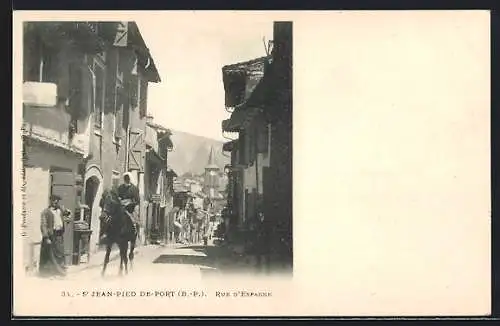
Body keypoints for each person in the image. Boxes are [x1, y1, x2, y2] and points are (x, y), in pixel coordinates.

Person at [39, 195, 72, 277]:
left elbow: (68, 214)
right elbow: (43, 225)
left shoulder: (60, 210)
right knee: (49, 255)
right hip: (51, 235)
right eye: (54, 200)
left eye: (57, 201)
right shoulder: (45, 212)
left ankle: (59, 272)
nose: (55, 202)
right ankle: (48, 274)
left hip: (59, 235)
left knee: (59, 254)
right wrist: (46, 237)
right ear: (50, 201)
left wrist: (67, 215)